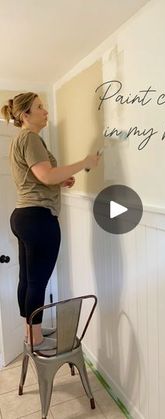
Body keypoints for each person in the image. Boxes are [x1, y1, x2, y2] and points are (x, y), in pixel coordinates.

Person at [1, 92, 100, 350]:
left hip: (23, 215)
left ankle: (29, 332)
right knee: (37, 281)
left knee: (27, 278)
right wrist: (86, 162)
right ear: (26, 115)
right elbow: (45, 175)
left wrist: (60, 180)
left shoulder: (18, 140)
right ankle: (35, 338)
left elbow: (40, 177)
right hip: (38, 218)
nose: (45, 112)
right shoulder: (31, 138)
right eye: (40, 107)